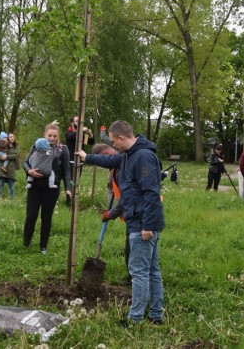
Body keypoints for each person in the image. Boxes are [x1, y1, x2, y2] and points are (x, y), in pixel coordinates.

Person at [77, 120, 164, 326]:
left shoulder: (142, 157)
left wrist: (147, 225)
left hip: (143, 222)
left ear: (122, 138)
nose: (114, 145)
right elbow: (110, 161)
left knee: (139, 272)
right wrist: (86, 157)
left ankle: (134, 320)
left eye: (115, 142)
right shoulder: (129, 154)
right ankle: (155, 315)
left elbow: (152, 193)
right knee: (151, 270)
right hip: (139, 218)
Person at [22, 123, 72, 254]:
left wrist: (68, 188)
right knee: (31, 216)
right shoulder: (37, 145)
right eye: (49, 135)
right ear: (45, 135)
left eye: (55, 136)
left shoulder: (63, 149)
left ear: (58, 136)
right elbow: (25, 162)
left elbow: (66, 170)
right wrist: (29, 171)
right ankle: (25, 243)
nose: (52, 138)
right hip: (34, 186)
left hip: (51, 188)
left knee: (46, 217)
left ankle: (43, 246)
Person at [91, 143, 131, 283]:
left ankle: (134, 279)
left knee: (132, 247)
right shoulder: (116, 167)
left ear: (106, 155)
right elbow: (113, 189)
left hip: (138, 212)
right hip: (134, 211)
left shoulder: (121, 169)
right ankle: (133, 277)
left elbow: (126, 197)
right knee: (131, 245)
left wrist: (111, 214)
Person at [0, 133, 20, 200]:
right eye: (10, 137)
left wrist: (7, 157)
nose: (12, 138)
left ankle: (12, 201)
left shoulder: (16, 146)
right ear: (7, 138)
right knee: (0, 185)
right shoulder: (3, 145)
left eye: (13, 137)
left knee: (11, 186)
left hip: (11, 169)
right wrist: (1, 157)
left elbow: (16, 155)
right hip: (1, 169)